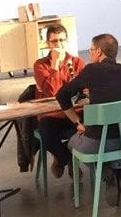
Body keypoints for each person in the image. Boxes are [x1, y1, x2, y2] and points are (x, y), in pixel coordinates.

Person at [56, 34, 121, 206]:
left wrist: (78, 122)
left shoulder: (92, 70)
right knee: (104, 141)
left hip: (97, 142)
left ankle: (107, 173)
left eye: (91, 50)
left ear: (99, 51)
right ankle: (114, 170)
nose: (90, 54)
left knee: (71, 142)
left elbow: (61, 94)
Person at [34, 24, 86, 178]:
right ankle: (70, 161)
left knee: (90, 128)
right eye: (54, 41)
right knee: (47, 135)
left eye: (61, 40)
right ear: (48, 44)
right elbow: (52, 92)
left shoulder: (77, 62)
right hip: (52, 113)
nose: (58, 45)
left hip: (74, 111)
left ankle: (61, 158)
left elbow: (84, 88)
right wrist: (55, 65)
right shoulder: (40, 65)